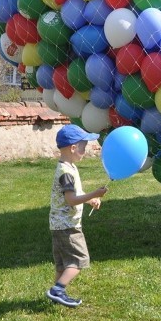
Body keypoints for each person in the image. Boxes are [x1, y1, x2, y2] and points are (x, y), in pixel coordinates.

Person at [46, 124, 108, 308]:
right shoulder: (66, 173)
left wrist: (89, 200)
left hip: (58, 225)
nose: (85, 149)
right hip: (68, 227)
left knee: (62, 264)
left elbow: (75, 193)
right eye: (83, 146)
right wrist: (94, 194)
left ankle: (57, 294)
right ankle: (57, 290)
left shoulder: (68, 167)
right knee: (79, 260)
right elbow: (71, 200)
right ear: (73, 148)